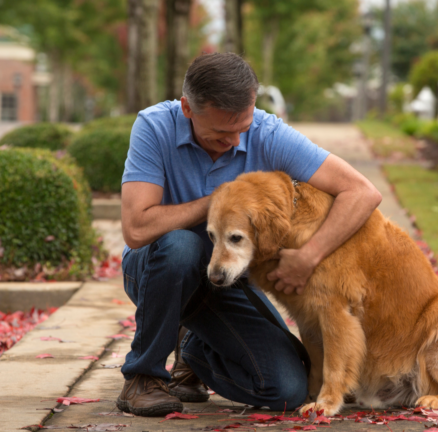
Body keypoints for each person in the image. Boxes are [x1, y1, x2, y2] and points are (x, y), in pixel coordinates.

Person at [116, 52, 382, 417]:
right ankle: (143, 377)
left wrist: (309, 255)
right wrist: (218, 201)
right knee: (181, 246)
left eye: (241, 128)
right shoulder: (154, 127)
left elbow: (362, 192)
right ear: (188, 109)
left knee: (287, 390)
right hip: (157, 269)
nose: (234, 139)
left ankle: (195, 350)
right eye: (221, 132)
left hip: (230, 277)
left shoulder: (266, 132)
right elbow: (136, 229)